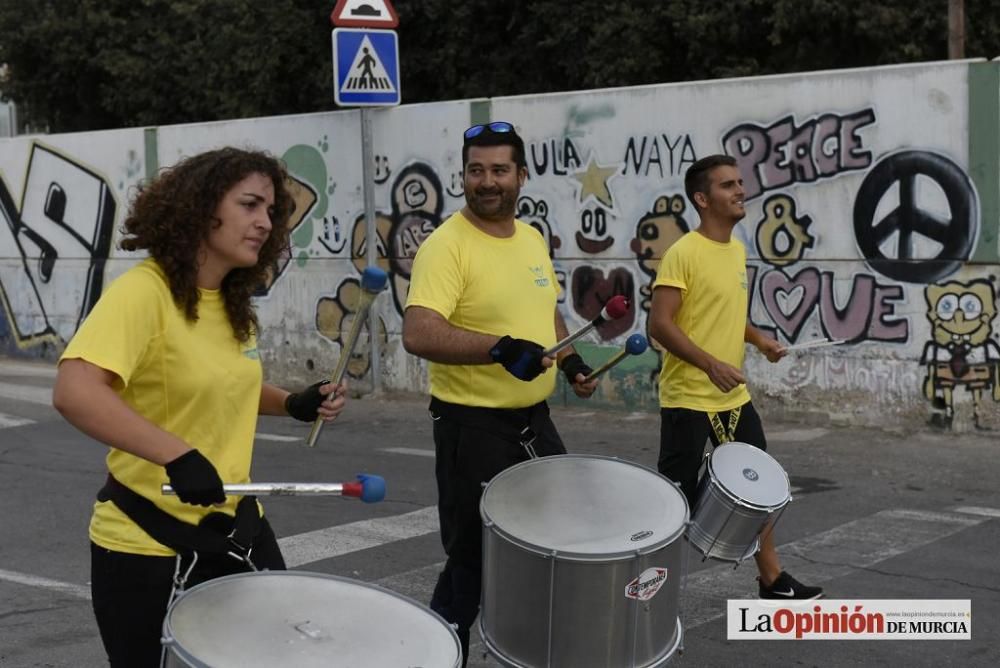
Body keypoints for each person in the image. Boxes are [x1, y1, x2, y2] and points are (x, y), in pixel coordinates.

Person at [51, 147, 348, 667]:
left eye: (271, 211)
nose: (264, 222)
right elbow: (75, 390)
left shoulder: (232, 302)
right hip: (147, 546)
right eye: (250, 205)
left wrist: (294, 402)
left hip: (238, 531)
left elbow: (223, 385)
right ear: (201, 207)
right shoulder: (145, 293)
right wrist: (175, 454)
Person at [402, 121, 599, 664]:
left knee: (554, 541)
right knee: (474, 559)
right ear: (463, 175)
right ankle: (442, 654)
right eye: (475, 170)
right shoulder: (447, 247)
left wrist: (573, 357)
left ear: (522, 176)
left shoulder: (531, 237)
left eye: (499, 170)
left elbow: (548, 312)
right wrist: (496, 348)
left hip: (532, 420)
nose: (487, 181)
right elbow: (418, 331)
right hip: (472, 427)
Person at [648, 154, 823, 600]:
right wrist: (710, 364)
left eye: (740, 182)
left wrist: (759, 339)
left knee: (760, 489)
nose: (740, 190)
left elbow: (724, 313)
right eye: (728, 185)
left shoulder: (736, 249)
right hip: (689, 398)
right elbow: (661, 325)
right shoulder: (683, 252)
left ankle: (772, 579)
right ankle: (642, 587)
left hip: (731, 399)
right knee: (673, 500)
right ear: (702, 199)